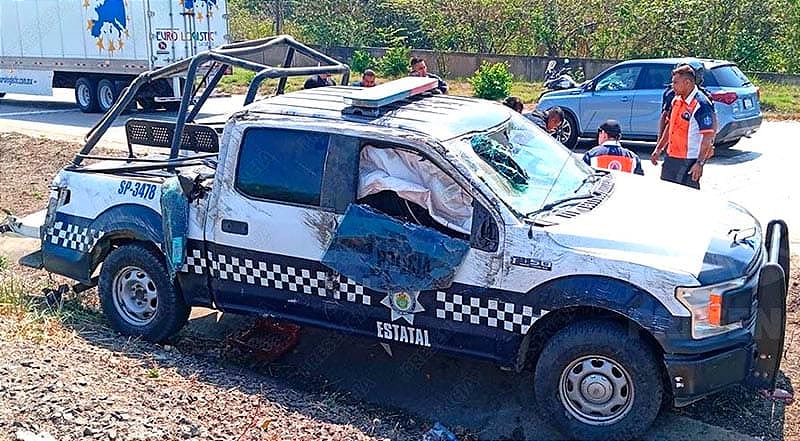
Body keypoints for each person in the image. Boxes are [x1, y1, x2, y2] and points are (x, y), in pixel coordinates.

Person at [651, 64, 715, 189]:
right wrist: (659, 148)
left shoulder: (701, 104)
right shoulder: (676, 99)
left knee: (688, 200)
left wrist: (699, 163)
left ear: (687, 82)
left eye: (675, 82)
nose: (672, 86)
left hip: (689, 161)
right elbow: (670, 126)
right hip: (671, 158)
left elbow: (708, 136)